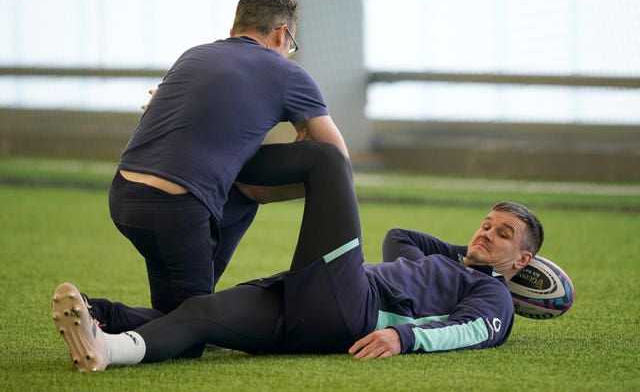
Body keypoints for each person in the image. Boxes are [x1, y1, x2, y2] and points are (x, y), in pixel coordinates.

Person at [51, 141, 544, 372]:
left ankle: (203, 151)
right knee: (202, 314)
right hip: (316, 302)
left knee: (328, 163)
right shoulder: (444, 262)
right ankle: (105, 334)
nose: (485, 234)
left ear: (522, 261)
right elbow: (400, 234)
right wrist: (474, 253)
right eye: (486, 224)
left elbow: (473, 333)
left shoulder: (490, 295)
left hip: (352, 308)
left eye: (503, 236)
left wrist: (404, 336)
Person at [88, 0, 349, 335]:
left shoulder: (192, 56)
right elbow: (335, 159)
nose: (288, 53)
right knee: (193, 330)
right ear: (281, 34)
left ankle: (115, 325)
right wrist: (304, 145)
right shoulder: (287, 74)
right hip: (176, 210)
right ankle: (98, 312)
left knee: (175, 314)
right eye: (291, 46)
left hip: (124, 198)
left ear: (236, 27)